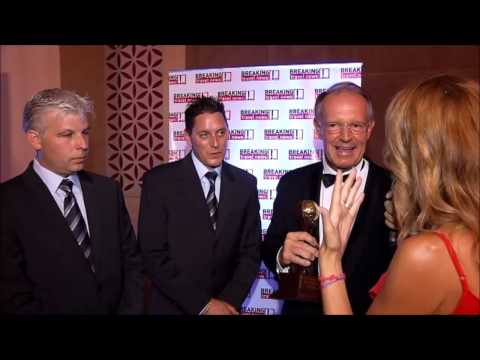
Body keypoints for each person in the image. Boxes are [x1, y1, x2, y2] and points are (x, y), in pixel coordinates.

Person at [319, 75, 479, 314]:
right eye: (334, 125)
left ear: (422, 159)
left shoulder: (426, 254)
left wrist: (330, 259)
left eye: (398, 146)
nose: (392, 158)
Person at [0, 88, 144, 314]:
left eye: (85, 132)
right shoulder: (8, 202)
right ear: (35, 139)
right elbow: (11, 293)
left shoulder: (107, 191)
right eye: (67, 135)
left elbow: (132, 265)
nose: (83, 144)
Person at [261, 82, 394, 315]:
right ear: (317, 128)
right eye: (333, 125)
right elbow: (271, 244)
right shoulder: (292, 182)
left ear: (370, 129)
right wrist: (282, 255)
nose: (345, 137)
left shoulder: (394, 186)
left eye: (356, 125)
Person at [138, 96, 261, 315]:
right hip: (173, 308)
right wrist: (205, 305)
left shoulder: (245, 184)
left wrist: (227, 303)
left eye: (221, 133)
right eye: (204, 135)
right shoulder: (159, 182)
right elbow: (153, 255)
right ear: (188, 137)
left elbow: (250, 252)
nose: (215, 143)